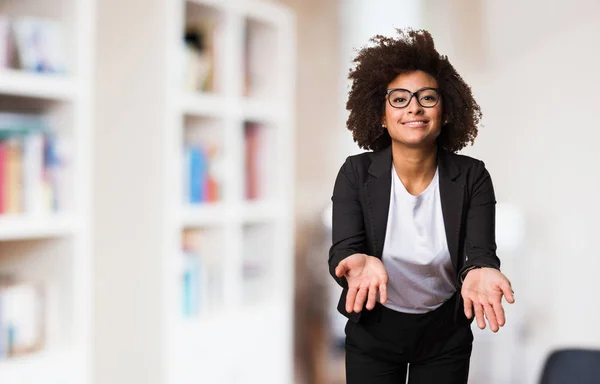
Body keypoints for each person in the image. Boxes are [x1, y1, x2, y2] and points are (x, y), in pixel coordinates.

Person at [328, 29, 515, 384]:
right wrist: (351, 262)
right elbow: (345, 250)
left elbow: (480, 253)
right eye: (399, 99)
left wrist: (479, 270)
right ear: (381, 115)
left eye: (427, 97)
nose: (414, 106)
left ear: (445, 112)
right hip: (375, 329)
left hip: (445, 333)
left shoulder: (472, 175)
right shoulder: (356, 172)